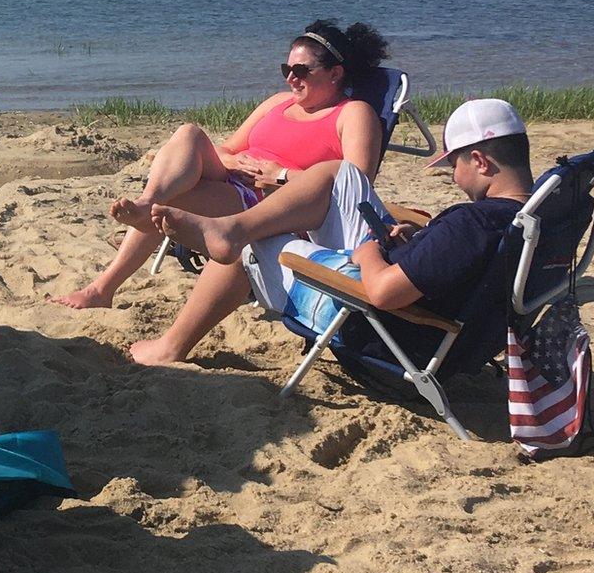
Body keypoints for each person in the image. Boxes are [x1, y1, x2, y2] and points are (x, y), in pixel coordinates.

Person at [50, 20, 390, 367]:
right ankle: (108, 276)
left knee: (170, 211)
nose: (290, 77)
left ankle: (143, 227)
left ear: (334, 73)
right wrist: (234, 163)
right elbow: (226, 149)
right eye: (286, 68)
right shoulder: (277, 103)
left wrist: (282, 174)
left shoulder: (353, 114)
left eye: (301, 69)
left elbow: (353, 185)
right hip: (237, 183)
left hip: (278, 205)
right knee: (189, 134)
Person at [140, 99, 534, 364]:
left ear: (480, 161)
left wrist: (367, 250)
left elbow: (384, 292)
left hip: (385, 328)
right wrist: (417, 241)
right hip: (457, 325)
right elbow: (451, 262)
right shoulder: (536, 218)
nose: (453, 178)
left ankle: (172, 344)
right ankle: (231, 228)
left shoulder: (472, 223)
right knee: (340, 174)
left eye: (454, 166)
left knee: (256, 239)